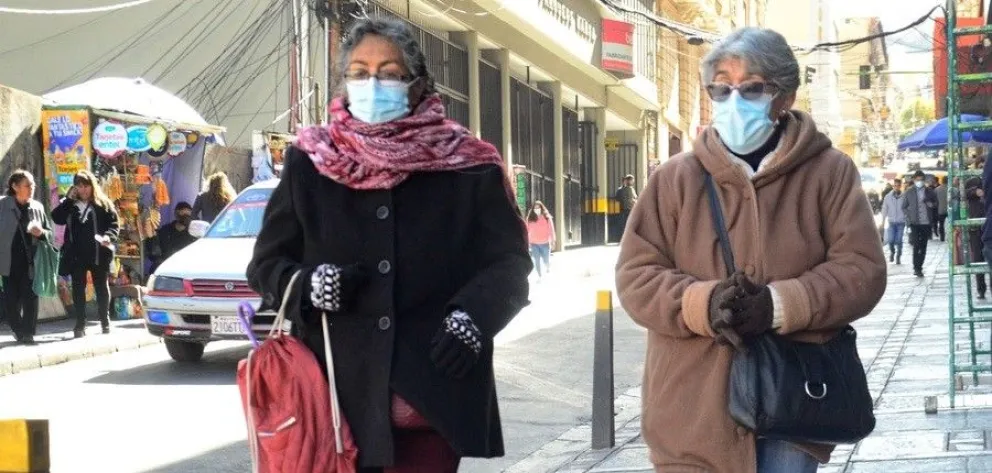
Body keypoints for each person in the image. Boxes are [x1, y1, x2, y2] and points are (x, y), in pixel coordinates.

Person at [246, 16, 532, 472]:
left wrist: (473, 318)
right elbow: (265, 264)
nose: (372, 83)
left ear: (417, 85)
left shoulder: (469, 165)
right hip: (335, 401)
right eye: (359, 72)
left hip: (432, 396)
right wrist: (308, 286)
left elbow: (510, 264)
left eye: (389, 72)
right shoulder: (310, 161)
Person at [614, 28, 886, 473]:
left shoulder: (829, 172)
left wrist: (779, 305)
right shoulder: (674, 178)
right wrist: (704, 303)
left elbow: (862, 270)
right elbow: (636, 276)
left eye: (752, 87)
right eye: (721, 87)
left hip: (793, 402)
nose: (733, 100)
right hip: (692, 409)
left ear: (785, 96)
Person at [52, 171, 120, 338]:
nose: (83, 190)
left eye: (86, 185)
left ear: (92, 186)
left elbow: (114, 224)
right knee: (78, 289)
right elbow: (57, 218)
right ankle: (80, 324)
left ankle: (105, 320)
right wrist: (69, 199)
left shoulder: (103, 204)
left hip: (98, 253)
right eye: (79, 186)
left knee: (101, 288)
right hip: (76, 254)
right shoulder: (70, 205)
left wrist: (108, 236)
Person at [0, 170, 54, 345]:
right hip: (7, 261)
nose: (32, 188)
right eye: (27, 185)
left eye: (33, 185)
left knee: (30, 297)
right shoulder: (3, 205)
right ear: (15, 186)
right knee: (11, 300)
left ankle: (29, 333)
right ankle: (18, 329)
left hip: (31, 261)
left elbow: (49, 233)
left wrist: (42, 233)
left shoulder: (37, 207)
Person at [902, 170, 939, 278]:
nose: (919, 182)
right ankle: (916, 267)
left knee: (923, 246)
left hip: (926, 223)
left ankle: (920, 266)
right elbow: (904, 207)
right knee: (916, 245)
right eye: (917, 180)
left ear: (924, 180)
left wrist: (931, 204)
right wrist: (909, 215)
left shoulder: (929, 191)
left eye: (921, 180)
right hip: (914, 223)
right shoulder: (909, 192)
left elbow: (936, 203)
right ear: (914, 180)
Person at [148, 201, 198, 273]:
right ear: (176, 214)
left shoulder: (193, 234)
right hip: (166, 267)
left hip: (185, 269)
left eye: (188, 215)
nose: (186, 217)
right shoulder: (165, 230)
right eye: (183, 214)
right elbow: (155, 252)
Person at [526, 201, 555, 279]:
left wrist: (553, 240)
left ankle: (548, 267)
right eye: (535, 208)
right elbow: (527, 230)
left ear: (541, 208)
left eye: (538, 207)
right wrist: (527, 242)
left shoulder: (547, 217)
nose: (536, 209)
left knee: (546, 260)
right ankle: (540, 276)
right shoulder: (530, 217)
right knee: (536, 260)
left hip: (545, 243)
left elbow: (551, 229)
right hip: (533, 243)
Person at [880, 178, 906, 265]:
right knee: (890, 241)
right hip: (891, 222)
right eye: (895, 186)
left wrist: (907, 218)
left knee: (898, 240)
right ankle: (892, 252)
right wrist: (883, 221)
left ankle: (898, 256)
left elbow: (907, 209)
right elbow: (884, 209)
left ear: (900, 186)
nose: (896, 187)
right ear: (893, 186)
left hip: (901, 223)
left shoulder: (904, 196)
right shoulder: (888, 197)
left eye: (898, 186)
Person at [935, 177, 948, 241]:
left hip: (940, 209)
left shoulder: (937, 189)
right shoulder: (951, 189)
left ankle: (942, 237)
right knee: (951, 223)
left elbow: (935, 200)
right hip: (949, 209)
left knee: (941, 224)